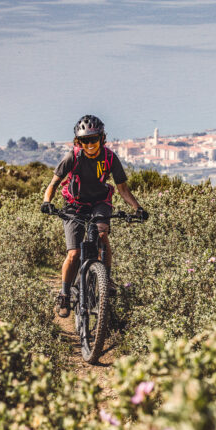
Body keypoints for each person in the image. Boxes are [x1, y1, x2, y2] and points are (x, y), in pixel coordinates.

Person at [41, 114, 148, 318]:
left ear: (101, 138)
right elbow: (53, 184)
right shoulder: (72, 157)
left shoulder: (109, 158)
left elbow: (123, 189)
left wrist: (138, 208)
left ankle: (105, 280)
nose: (90, 144)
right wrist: (47, 202)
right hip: (74, 205)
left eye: (94, 139)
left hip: (100, 202)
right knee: (73, 253)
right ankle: (64, 294)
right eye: (85, 140)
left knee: (101, 235)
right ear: (78, 142)